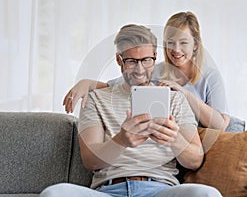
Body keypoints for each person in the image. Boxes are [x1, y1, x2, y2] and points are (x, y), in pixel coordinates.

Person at [41, 24, 222, 196]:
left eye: (146, 60)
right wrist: (121, 140)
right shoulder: (97, 98)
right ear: (119, 59)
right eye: (131, 61)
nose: (140, 69)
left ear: (155, 56)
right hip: (110, 190)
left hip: (161, 190)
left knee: (207, 194)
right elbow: (90, 161)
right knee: (54, 193)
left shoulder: (175, 99)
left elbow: (195, 160)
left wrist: (175, 140)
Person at [63, 11, 233, 131]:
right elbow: (113, 85)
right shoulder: (154, 69)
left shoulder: (209, 76)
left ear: (195, 44)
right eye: (170, 42)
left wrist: (183, 93)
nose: (176, 49)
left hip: (191, 145)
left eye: (183, 42)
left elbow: (221, 125)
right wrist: (85, 83)